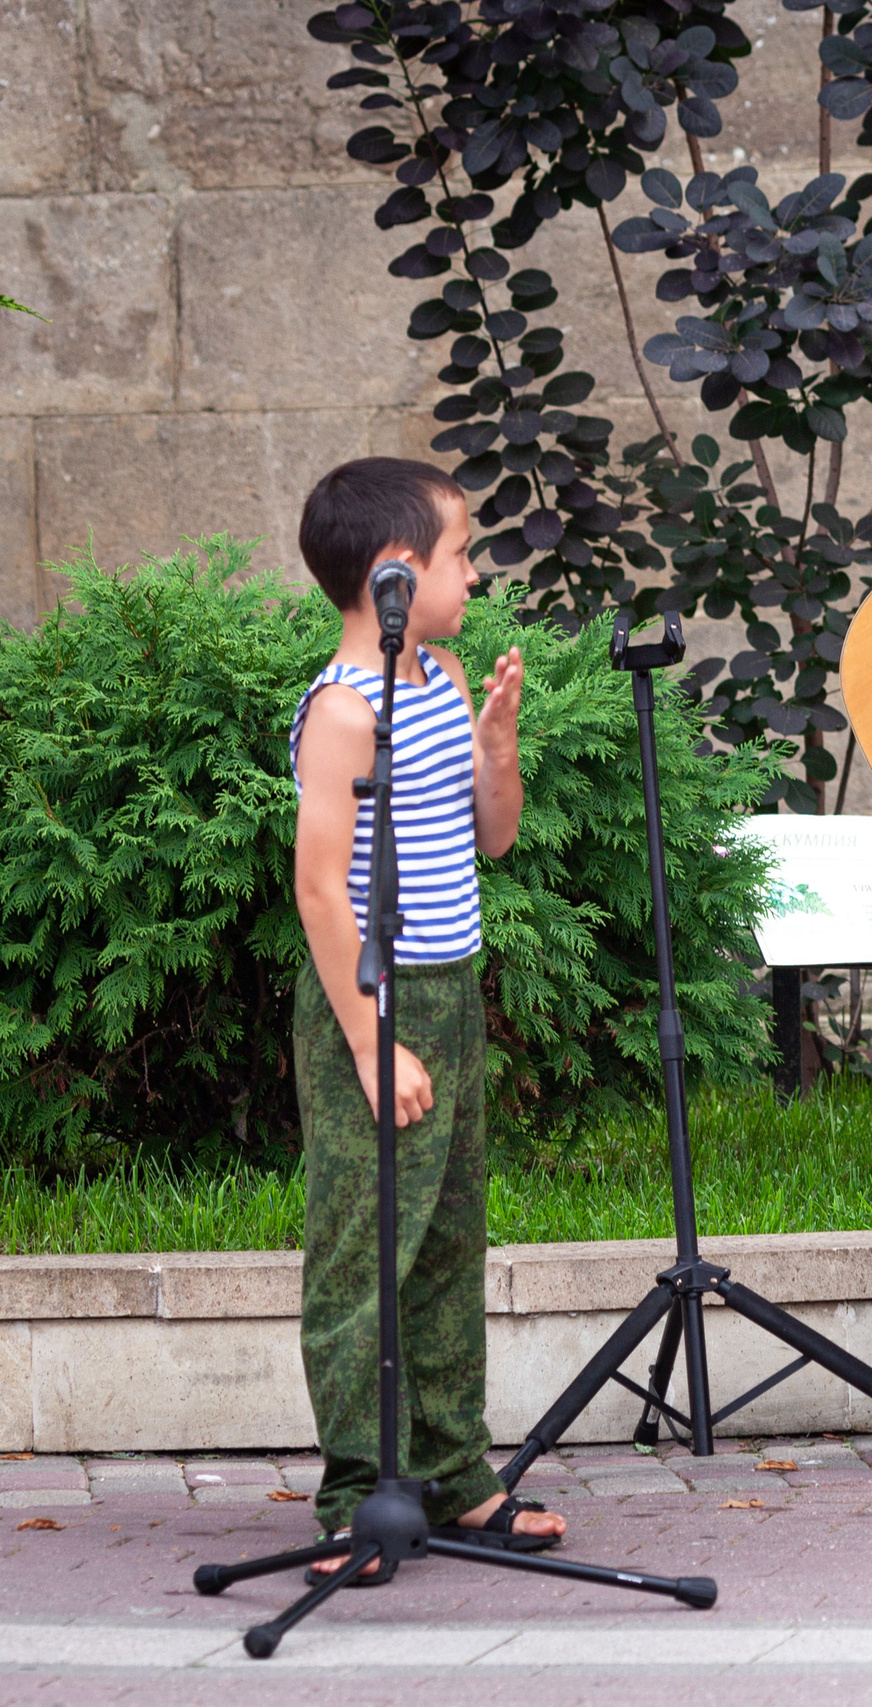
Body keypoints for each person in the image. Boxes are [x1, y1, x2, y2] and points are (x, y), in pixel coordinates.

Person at [288, 457, 563, 1575]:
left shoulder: (442, 675)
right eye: (463, 555)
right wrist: (369, 1041)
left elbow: (494, 836)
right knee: (366, 1255)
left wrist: (497, 750)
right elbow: (320, 890)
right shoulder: (343, 712)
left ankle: (453, 1477)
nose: (475, 575)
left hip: (449, 988)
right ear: (396, 575)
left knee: (448, 1241)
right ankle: (360, 1494)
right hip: (370, 1002)